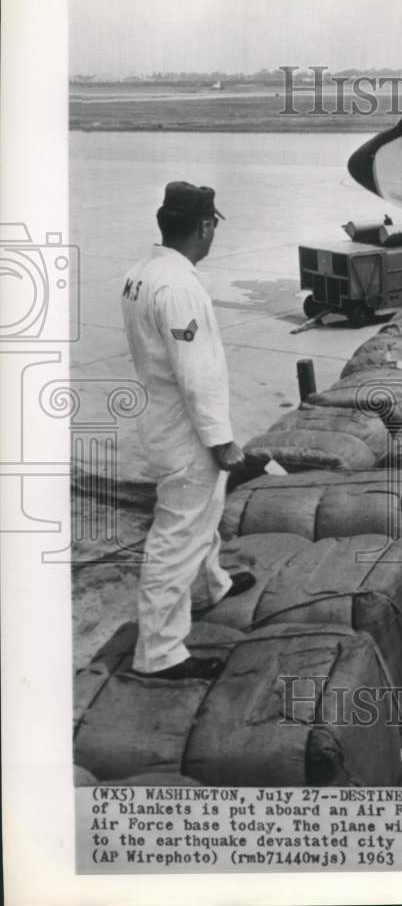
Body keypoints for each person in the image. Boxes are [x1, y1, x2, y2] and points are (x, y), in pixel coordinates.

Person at [121, 181, 254, 680]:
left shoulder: (142, 273)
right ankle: (159, 652)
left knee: (203, 512)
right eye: (213, 224)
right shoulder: (177, 286)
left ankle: (209, 586)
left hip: (163, 421)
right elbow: (194, 370)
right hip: (186, 432)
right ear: (204, 226)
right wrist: (221, 440)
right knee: (177, 535)